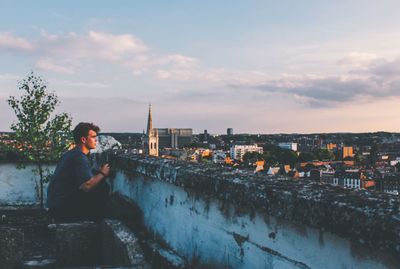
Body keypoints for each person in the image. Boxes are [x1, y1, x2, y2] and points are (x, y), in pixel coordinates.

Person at [47, 122, 110, 222]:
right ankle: (97, 227)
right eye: (93, 137)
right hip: (62, 209)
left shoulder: (72, 154)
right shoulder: (79, 157)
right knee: (102, 188)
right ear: (83, 139)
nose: (96, 140)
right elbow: (86, 186)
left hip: (55, 205)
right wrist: (103, 173)